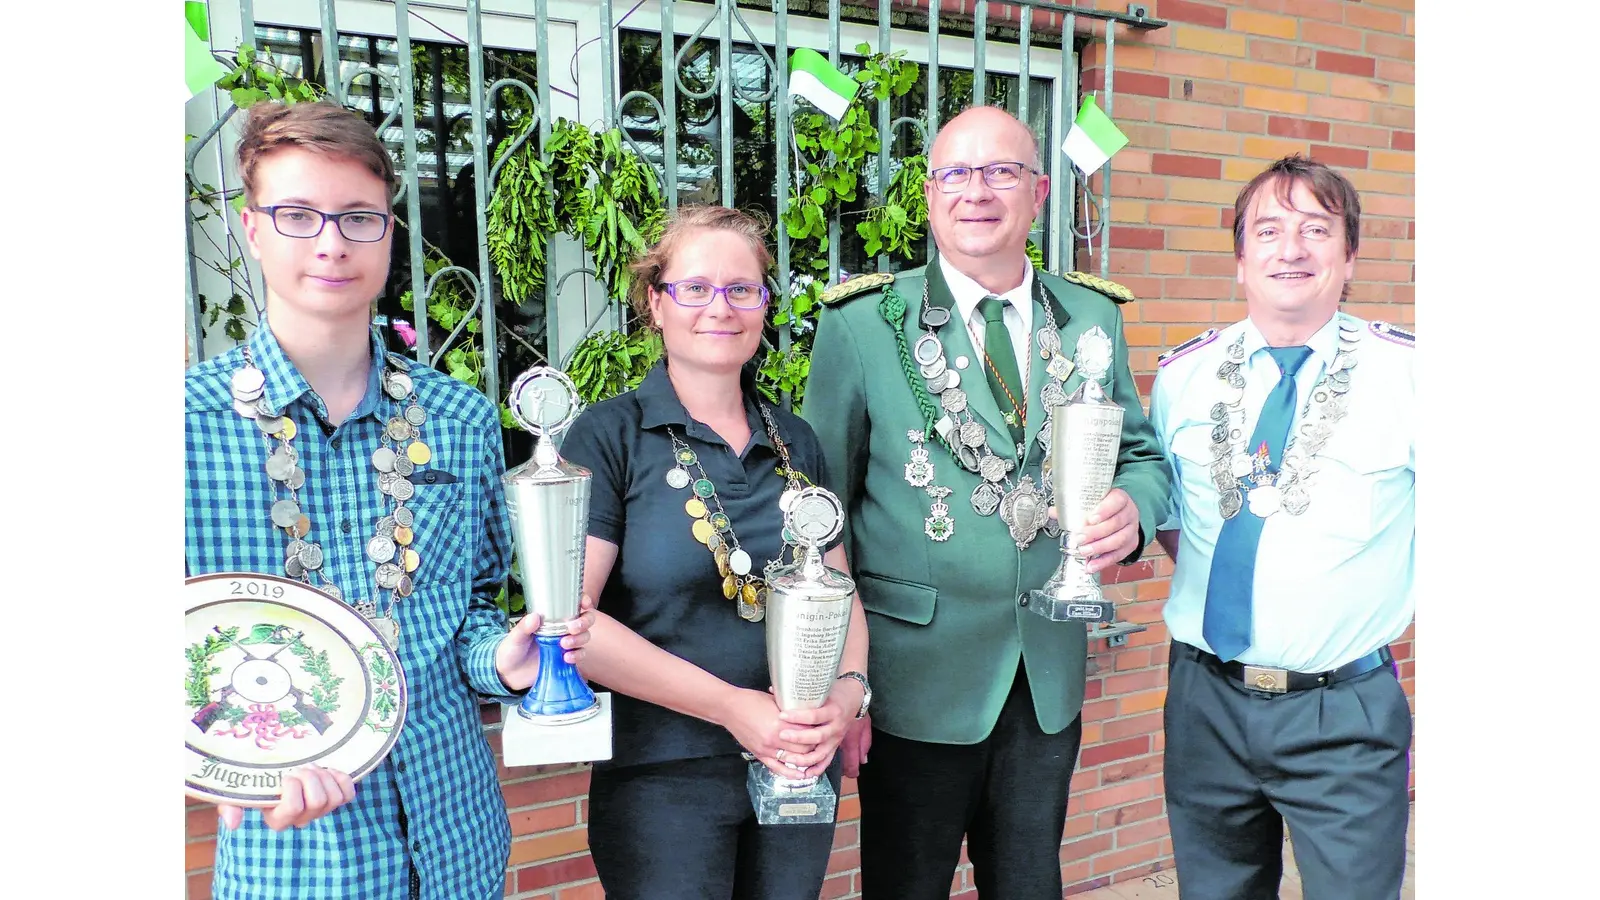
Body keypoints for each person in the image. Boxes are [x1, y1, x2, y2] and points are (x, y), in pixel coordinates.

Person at [184, 99, 594, 900]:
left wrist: (504, 661)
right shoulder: (180, 432)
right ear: (252, 226)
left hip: (458, 842)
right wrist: (212, 759)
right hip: (298, 860)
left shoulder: (461, 417)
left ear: (389, 230)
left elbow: (470, 608)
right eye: (298, 214)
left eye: (358, 217)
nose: (332, 242)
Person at [801, 105, 1172, 899]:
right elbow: (818, 513)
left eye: (1001, 171)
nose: (978, 191)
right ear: (931, 195)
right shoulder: (866, 323)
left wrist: (1135, 510)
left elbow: (1139, 454)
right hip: (910, 679)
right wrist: (842, 680)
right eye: (956, 174)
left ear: (1038, 193)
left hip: (1044, 675)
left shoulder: (1092, 317)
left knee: (1030, 883)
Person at [557, 205, 871, 900]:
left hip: (795, 766)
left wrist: (848, 698)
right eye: (695, 288)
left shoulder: (796, 440)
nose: (719, 307)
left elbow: (840, 593)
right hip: (661, 780)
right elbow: (573, 627)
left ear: (763, 305)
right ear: (655, 303)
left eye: (742, 289)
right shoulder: (609, 437)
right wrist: (734, 708)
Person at [1150, 154, 1414, 899]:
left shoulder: (1412, 379)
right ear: (1240, 260)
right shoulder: (1183, 378)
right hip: (1205, 701)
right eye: (1267, 230)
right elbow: (1181, 526)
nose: (1290, 249)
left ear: (1349, 254)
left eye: (1315, 230)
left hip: (1344, 715)